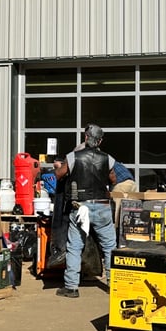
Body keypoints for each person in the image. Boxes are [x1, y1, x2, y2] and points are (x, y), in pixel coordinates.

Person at [53, 123, 117, 298]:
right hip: (103, 206)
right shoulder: (108, 158)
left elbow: (59, 175)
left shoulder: (73, 157)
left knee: (74, 247)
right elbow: (113, 178)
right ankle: (115, 286)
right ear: (101, 140)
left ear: (86, 138)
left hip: (81, 207)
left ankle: (72, 287)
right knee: (110, 247)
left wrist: (58, 166)